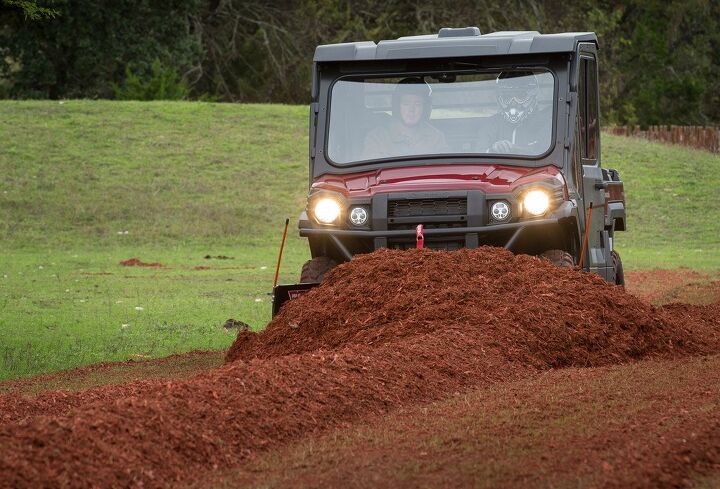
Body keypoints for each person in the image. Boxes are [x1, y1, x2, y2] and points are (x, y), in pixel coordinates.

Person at [362, 77, 448, 160]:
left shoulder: (436, 137)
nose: (411, 110)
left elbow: (444, 169)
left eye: (417, 104)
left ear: (425, 108)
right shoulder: (377, 138)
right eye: (406, 103)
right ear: (397, 106)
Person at [478, 71, 551, 155]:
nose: (513, 103)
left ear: (533, 96)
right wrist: (493, 150)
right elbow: (478, 154)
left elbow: (547, 155)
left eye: (520, 96)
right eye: (507, 96)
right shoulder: (491, 124)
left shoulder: (546, 124)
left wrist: (516, 149)